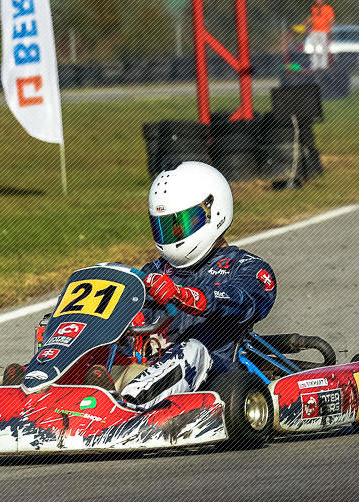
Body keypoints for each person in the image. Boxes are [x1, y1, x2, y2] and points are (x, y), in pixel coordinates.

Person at [28, 162, 278, 409]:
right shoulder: (153, 272)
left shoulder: (246, 267)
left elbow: (242, 300)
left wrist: (184, 295)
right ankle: (39, 392)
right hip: (144, 368)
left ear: (213, 211)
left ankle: (127, 406)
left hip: (212, 372)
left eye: (180, 223)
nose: (173, 232)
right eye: (164, 227)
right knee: (92, 343)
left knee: (192, 349)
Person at [305, 0, 335, 71]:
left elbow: (331, 20)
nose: (318, 2)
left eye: (319, 0)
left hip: (324, 31)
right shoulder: (312, 8)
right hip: (314, 31)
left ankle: (324, 66)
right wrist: (307, 28)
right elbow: (309, 19)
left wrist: (330, 29)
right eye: (316, 0)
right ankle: (314, 66)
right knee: (314, 48)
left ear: (322, 0)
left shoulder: (328, 8)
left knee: (324, 49)